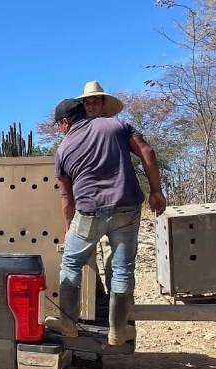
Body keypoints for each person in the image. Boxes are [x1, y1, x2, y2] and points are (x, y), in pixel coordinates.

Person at [47, 99, 166, 346]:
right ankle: (118, 331)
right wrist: (156, 191)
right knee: (123, 269)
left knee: (70, 264)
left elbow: (66, 196)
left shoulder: (63, 149)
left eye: (58, 125)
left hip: (89, 212)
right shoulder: (116, 126)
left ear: (65, 122)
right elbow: (147, 151)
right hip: (127, 207)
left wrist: (70, 228)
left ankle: (68, 324)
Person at [76, 80, 125, 297]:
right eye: (88, 101)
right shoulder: (78, 132)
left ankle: (116, 298)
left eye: (96, 100)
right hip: (87, 201)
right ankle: (96, 296)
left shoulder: (116, 129)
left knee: (111, 253)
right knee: (85, 253)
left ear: (103, 103)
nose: (91, 105)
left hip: (114, 200)